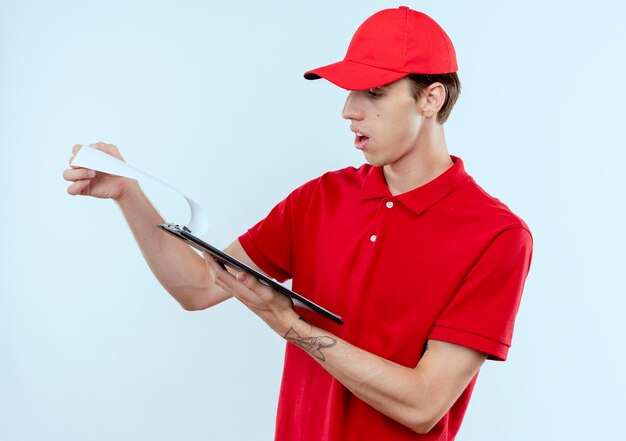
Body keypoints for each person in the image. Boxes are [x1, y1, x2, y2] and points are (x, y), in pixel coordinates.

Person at [63, 7, 533, 440]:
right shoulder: (321, 198)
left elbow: (423, 404)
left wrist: (286, 323)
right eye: (350, 91)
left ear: (431, 98)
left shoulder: (496, 236)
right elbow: (198, 288)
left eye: (374, 92)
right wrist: (129, 193)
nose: (349, 110)